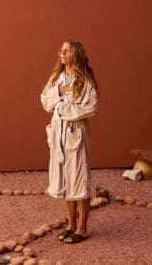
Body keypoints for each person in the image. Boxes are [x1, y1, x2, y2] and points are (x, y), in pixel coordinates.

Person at [40, 39, 99, 244]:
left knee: (79, 179)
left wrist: (64, 110)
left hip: (76, 134)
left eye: (67, 51)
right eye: (61, 50)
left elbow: (91, 107)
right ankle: (71, 225)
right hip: (59, 134)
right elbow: (45, 101)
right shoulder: (57, 77)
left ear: (76, 55)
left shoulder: (85, 81)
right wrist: (58, 93)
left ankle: (82, 228)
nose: (62, 53)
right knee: (66, 179)